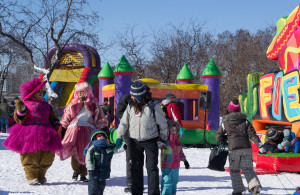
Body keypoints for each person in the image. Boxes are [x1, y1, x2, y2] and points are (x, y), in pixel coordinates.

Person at [3, 78, 63, 185]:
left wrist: (56, 125)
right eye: (38, 92)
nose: (41, 93)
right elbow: (19, 119)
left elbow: (53, 118)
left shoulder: (47, 105)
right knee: (30, 155)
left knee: (47, 156)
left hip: (47, 132)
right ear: (32, 93)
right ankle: (31, 176)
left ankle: (41, 175)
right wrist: (21, 110)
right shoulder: (26, 104)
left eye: (41, 91)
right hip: (30, 132)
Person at [116, 81, 168, 195]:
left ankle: (153, 193)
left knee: (152, 168)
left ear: (140, 96)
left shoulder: (153, 106)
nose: (132, 98)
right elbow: (124, 123)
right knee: (135, 167)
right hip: (134, 141)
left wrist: (163, 138)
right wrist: (119, 136)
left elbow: (163, 124)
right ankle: (136, 192)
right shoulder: (130, 105)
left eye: (134, 96)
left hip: (150, 140)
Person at [57, 82, 108, 182]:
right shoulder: (73, 103)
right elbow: (66, 117)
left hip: (89, 131)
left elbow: (99, 117)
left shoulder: (93, 103)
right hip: (74, 130)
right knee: (75, 151)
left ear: (87, 92)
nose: (81, 94)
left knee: (87, 152)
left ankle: (84, 173)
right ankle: (76, 171)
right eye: (79, 92)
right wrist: (62, 129)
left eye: (83, 92)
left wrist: (102, 128)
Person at [215, 99, 263, 195]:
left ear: (229, 110)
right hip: (246, 148)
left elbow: (218, 137)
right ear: (239, 110)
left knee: (234, 170)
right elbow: (252, 134)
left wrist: (225, 137)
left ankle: (238, 190)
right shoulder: (245, 122)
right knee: (248, 168)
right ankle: (254, 185)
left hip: (233, 150)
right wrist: (260, 145)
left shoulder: (225, 123)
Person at [160, 120, 189, 195]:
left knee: (174, 181)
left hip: (176, 166)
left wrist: (185, 160)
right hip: (167, 165)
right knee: (167, 181)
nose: (173, 131)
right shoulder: (165, 140)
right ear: (168, 130)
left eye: (175, 130)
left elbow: (180, 152)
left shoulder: (177, 141)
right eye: (171, 130)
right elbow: (158, 142)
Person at [85, 129, 115, 195]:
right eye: (99, 136)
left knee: (100, 190)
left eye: (102, 136)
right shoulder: (92, 148)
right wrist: (90, 169)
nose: (101, 137)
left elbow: (116, 149)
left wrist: (122, 145)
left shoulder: (107, 148)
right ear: (95, 138)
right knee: (93, 189)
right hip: (93, 173)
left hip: (103, 174)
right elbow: (88, 159)